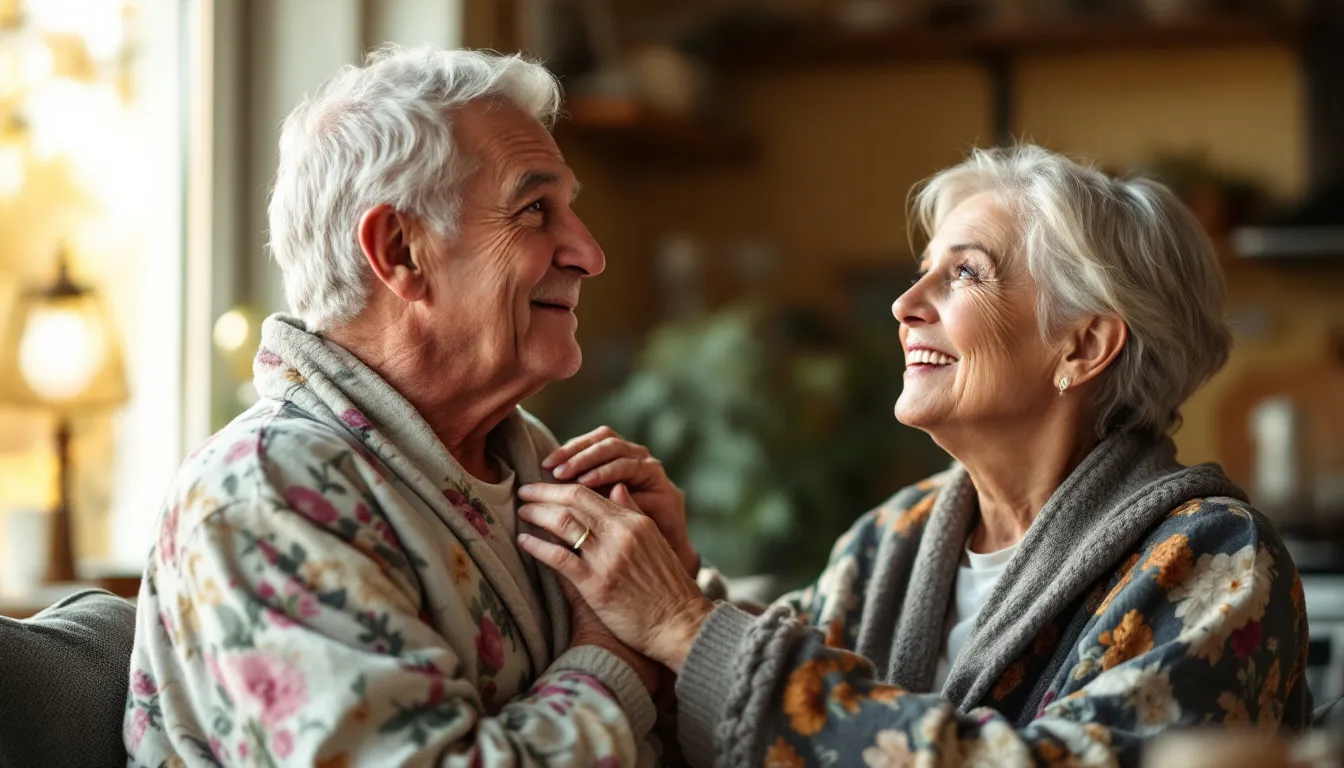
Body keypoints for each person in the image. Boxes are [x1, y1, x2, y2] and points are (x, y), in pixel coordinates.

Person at [515, 145, 1312, 766]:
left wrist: (685, 624)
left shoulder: (1214, 557)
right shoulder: (891, 537)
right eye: (921, 269)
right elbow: (747, 720)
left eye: (964, 272)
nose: (904, 306)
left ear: (1084, 344)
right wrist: (673, 570)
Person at [125, 46, 662, 766]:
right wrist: (615, 656)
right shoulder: (262, 496)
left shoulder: (531, 456)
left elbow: (735, 702)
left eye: (570, 209)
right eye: (535, 210)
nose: (589, 254)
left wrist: (674, 591)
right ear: (400, 249)